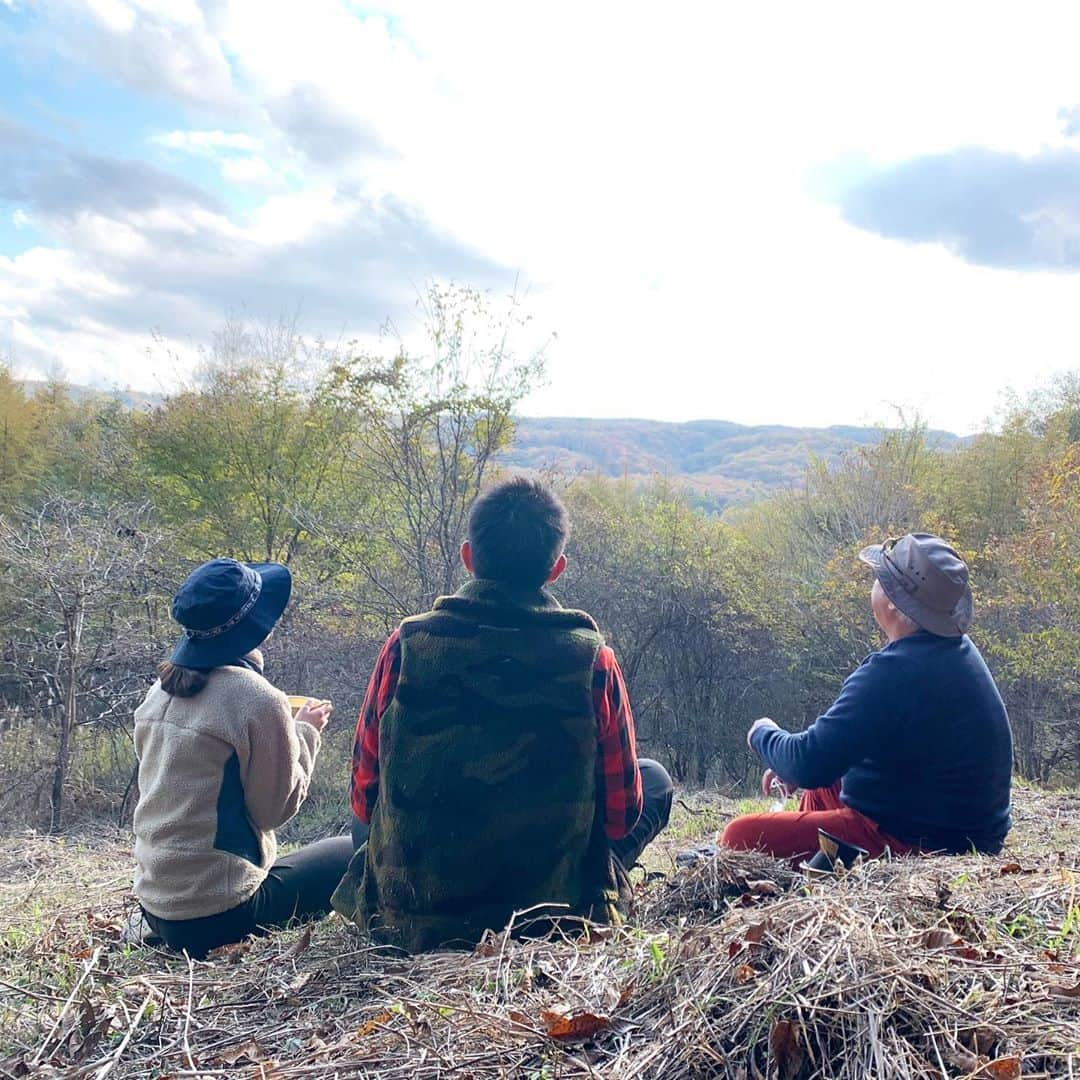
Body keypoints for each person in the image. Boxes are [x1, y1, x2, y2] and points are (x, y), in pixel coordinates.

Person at [333, 477, 673, 953]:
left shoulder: (405, 646)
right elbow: (620, 819)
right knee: (654, 779)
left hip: (414, 920)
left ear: (468, 557)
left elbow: (364, 798)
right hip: (549, 920)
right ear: (556, 569)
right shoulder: (593, 660)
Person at [720, 533, 1013, 862]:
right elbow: (824, 757)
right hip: (958, 827)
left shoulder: (894, 672)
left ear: (892, 601)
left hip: (918, 840)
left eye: (879, 579)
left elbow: (807, 763)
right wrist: (796, 768)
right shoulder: (953, 651)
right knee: (825, 783)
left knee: (739, 836)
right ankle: (815, 871)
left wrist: (762, 734)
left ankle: (811, 869)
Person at [132, 558, 353, 958]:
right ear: (254, 627)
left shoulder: (159, 691)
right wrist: (304, 732)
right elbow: (273, 810)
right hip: (219, 914)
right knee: (352, 848)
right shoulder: (256, 698)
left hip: (157, 909)